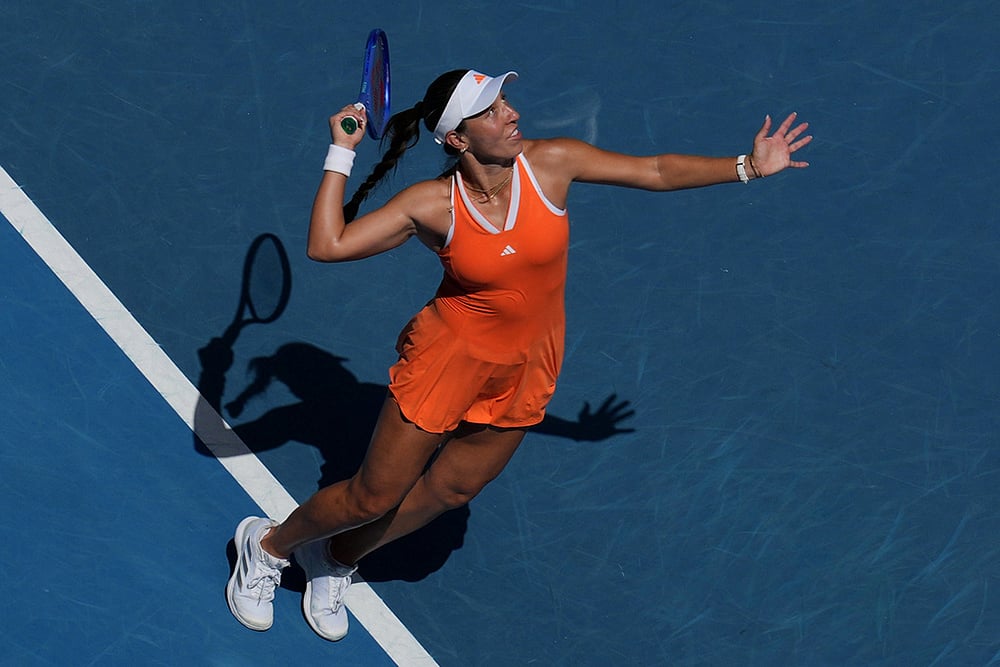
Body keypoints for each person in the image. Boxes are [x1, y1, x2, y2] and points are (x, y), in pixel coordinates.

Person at [225, 68, 812, 640]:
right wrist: (340, 152)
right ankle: (269, 545)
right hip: (448, 360)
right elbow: (327, 246)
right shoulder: (432, 204)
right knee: (373, 495)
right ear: (458, 138)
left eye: (506, 102)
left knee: (451, 492)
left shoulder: (551, 163)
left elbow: (654, 170)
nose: (513, 114)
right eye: (492, 110)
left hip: (528, 363)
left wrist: (748, 166)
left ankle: (336, 556)